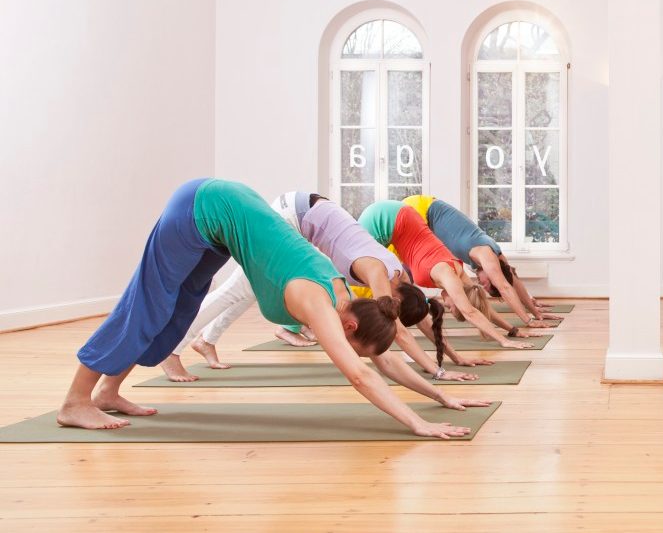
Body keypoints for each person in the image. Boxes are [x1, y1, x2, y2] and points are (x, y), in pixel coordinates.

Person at [58, 178, 488, 435]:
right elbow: (360, 374)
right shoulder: (319, 302)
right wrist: (417, 423)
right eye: (349, 344)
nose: (342, 348)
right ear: (349, 329)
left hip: (221, 224)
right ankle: (76, 402)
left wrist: (441, 396)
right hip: (204, 207)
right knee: (146, 307)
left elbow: (383, 362)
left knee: (177, 311)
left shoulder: (346, 297)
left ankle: (109, 392)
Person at [160, 192, 487, 382]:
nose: (388, 312)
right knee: (239, 288)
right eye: (395, 310)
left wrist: (449, 358)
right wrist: (439, 373)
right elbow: (400, 332)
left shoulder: (400, 279)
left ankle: (206, 341)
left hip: (303, 218)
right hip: (292, 216)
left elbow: (423, 321)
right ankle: (172, 350)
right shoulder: (380, 270)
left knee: (244, 288)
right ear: (396, 293)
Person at [359, 200, 539, 349]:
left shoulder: (461, 276)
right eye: (453, 308)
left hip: (401, 218)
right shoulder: (449, 275)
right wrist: (504, 341)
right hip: (386, 218)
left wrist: (512, 330)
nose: (448, 306)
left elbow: (480, 307)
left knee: (380, 281)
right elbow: (470, 312)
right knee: (361, 282)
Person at [403, 195, 560, 325]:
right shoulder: (487, 255)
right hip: (421, 209)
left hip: (425, 211)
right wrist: (528, 320)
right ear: (492, 276)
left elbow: (512, 279)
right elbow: (505, 287)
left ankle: (399, 307)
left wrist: (535, 311)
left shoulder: (496, 254)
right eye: (485, 284)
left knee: (408, 267)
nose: (480, 282)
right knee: (405, 267)